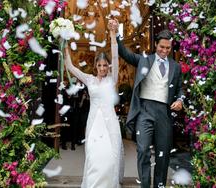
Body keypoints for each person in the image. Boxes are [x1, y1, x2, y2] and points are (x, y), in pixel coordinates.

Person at [109, 19, 184, 188]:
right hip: (145, 110)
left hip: (164, 113)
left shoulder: (176, 67)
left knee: (162, 155)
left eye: (168, 48)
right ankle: (145, 185)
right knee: (142, 150)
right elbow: (124, 53)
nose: (164, 51)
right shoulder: (144, 60)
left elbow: (180, 89)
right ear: (155, 44)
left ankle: (159, 185)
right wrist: (117, 33)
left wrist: (180, 100)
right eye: (161, 47)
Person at [64, 28, 124, 188]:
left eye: (105, 65)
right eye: (100, 65)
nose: (103, 68)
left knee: (110, 157)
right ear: (95, 66)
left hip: (109, 122)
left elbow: (116, 58)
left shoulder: (112, 80)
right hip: (93, 124)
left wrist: (112, 36)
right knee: (94, 156)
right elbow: (71, 67)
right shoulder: (89, 79)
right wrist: (65, 46)